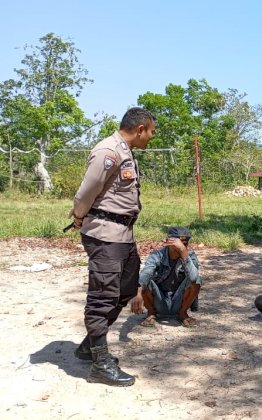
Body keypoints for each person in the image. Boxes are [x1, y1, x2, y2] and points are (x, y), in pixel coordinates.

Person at [69, 107, 156, 387]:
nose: (151, 137)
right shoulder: (108, 151)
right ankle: (99, 364)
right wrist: (79, 216)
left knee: (127, 290)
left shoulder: (125, 152)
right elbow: (87, 190)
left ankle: (88, 346)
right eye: (151, 131)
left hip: (123, 234)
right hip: (105, 234)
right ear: (140, 128)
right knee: (102, 296)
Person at [130, 226, 202, 328]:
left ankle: (182, 313)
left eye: (184, 244)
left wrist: (184, 254)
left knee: (197, 280)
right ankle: (151, 313)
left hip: (179, 301)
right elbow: (145, 273)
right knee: (145, 281)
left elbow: (194, 278)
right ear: (168, 242)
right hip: (159, 300)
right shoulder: (157, 255)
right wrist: (137, 292)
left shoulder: (189, 255)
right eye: (178, 245)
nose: (181, 247)